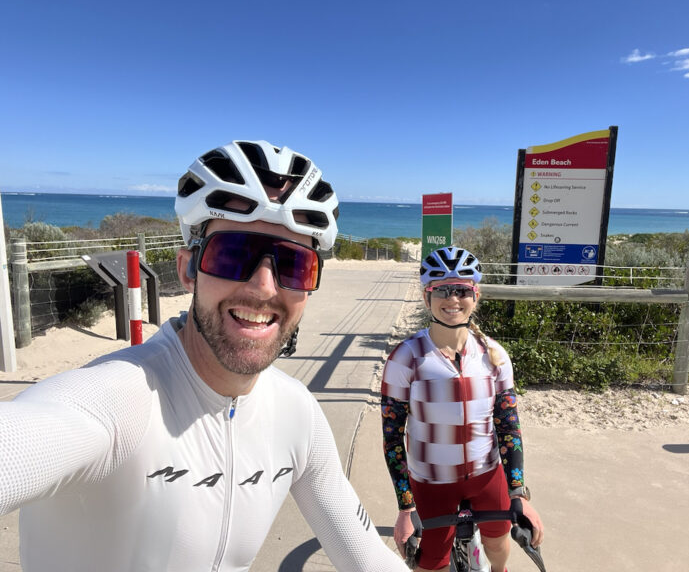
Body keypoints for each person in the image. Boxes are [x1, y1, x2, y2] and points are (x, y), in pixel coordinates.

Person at [0, 140, 408, 572]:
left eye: (294, 264)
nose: (264, 287)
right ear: (187, 269)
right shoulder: (113, 403)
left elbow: (368, 558)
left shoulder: (297, 413)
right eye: (233, 254)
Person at [380, 246, 544, 572]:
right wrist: (405, 509)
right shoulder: (405, 358)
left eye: (461, 290)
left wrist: (518, 494)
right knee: (431, 565)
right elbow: (392, 438)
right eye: (442, 290)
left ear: (475, 296)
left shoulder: (494, 356)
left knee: (498, 545)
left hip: (487, 476)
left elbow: (508, 427)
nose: (452, 298)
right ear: (427, 297)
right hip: (431, 482)